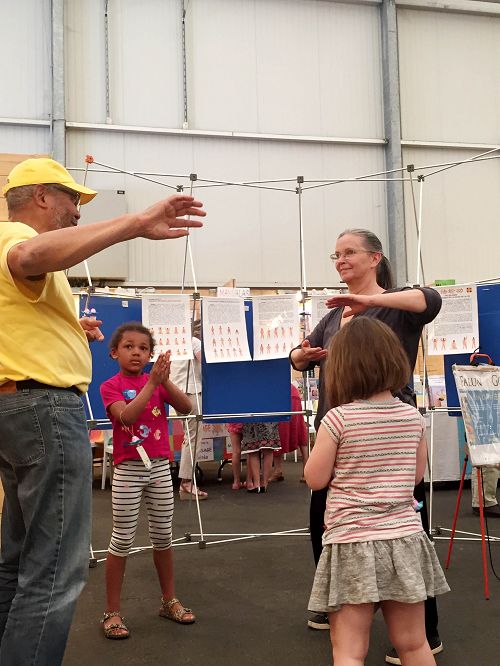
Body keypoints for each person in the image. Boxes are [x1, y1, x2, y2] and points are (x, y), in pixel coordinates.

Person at [0, 157, 205, 665]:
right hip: (43, 409)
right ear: (43, 197)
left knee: (18, 560)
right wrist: (133, 224)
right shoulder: (13, 238)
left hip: (19, 408)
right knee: (54, 568)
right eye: (71, 200)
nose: (76, 212)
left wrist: (72, 330)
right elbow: (25, 256)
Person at [290, 228, 443, 663]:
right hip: (345, 431)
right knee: (326, 524)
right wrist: (302, 357)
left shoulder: (397, 306)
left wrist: (372, 301)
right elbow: (297, 356)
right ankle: (340, 604)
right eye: (335, 254)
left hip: (376, 436)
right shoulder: (332, 316)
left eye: (349, 253)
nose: (340, 261)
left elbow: (429, 298)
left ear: (375, 257)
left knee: (403, 531)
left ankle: (420, 633)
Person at [305, 317, 449, 666]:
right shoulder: (412, 417)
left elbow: (314, 478)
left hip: (352, 541)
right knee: (414, 645)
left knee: (350, 650)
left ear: (341, 368)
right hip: (404, 540)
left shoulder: (337, 419)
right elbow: (417, 475)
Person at [100, 323, 195, 638]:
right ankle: (112, 612)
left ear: (150, 354)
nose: (136, 352)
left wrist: (164, 382)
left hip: (159, 467)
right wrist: (153, 383)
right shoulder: (110, 386)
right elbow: (125, 416)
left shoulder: (158, 382)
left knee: (163, 536)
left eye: (143, 347)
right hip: (128, 468)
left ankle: (169, 600)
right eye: (128, 346)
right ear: (114, 352)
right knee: (122, 538)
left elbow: (186, 407)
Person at [169, 320, 208, 500]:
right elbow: (206, 366)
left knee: (189, 436)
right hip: (192, 391)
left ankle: (186, 481)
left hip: (175, 391)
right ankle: (186, 483)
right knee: (193, 437)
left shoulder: (172, 342)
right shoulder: (194, 342)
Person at [270, 383, 309, 482]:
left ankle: (278, 470)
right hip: (290, 392)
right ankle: (306, 471)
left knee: (277, 431)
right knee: (299, 428)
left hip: (281, 393)